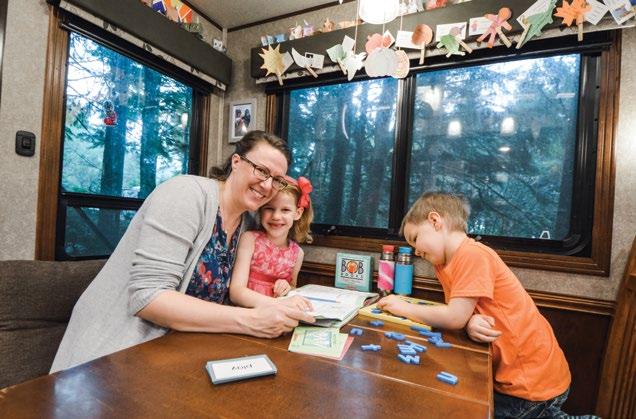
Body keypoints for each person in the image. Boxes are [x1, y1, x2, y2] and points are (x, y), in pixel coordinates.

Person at [51, 131, 314, 373]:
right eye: (261, 170)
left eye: (277, 180)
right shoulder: (185, 194)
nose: (267, 185)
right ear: (236, 162)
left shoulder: (247, 225)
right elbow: (148, 298)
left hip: (179, 351)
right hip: (111, 355)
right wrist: (252, 320)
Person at [377, 192, 571, 418]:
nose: (416, 251)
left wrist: (403, 307)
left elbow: (454, 317)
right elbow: (462, 312)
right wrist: (469, 321)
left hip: (531, 381)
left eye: (415, 238)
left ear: (435, 221)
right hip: (512, 376)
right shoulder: (444, 263)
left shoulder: (472, 254)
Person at [230, 176, 314, 307]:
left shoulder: (297, 254)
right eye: (269, 208)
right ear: (260, 209)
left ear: (297, 213)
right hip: (247, 313)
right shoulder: (249, 240)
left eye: (285, 210)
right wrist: (277, 304)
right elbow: (236, 292)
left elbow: (293, 287)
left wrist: (287, 287)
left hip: (277, 314)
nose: (276, 216)